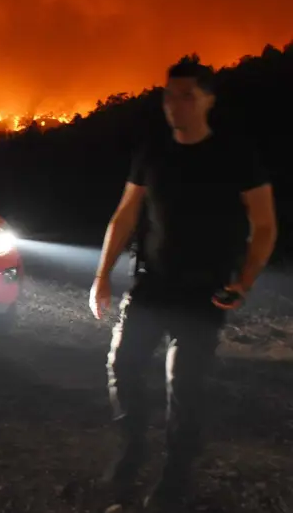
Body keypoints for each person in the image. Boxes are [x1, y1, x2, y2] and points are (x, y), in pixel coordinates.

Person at [89, 60, 277, 511]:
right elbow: (125, 215)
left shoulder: (236, 154)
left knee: (185, 385)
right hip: (152, 284)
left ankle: (174, 477)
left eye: (186, 96)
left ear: (208, 100)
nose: (174, 104)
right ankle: (132, 447)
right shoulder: (153, 151)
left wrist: (244, 282)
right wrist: (101, 276)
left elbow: (265, 225)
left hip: (204, 291)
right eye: (169, 95)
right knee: (123, 364)